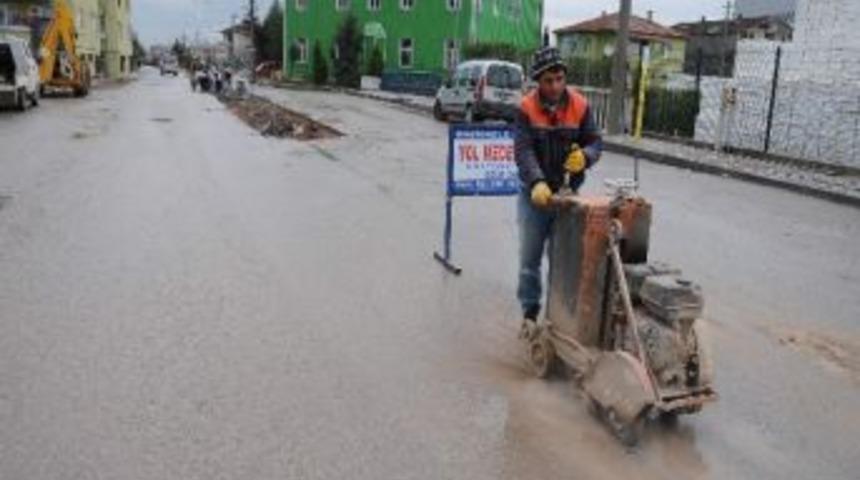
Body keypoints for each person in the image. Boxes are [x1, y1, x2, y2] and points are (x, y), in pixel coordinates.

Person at [514, 46, 603, 337]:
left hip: (566, 198)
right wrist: (536, 181)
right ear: (538, 80)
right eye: (548, 80)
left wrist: (586, 156)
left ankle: (557, 317)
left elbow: (595, 141)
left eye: (560, 78)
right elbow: (523, 150)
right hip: (535, 197)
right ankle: (529, 313)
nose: (555, 86)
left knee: (563, 259)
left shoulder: (580, 105)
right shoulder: (526, 108)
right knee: (530, 258)